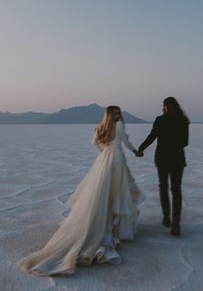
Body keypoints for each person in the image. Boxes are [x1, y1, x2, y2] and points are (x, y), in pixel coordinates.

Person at [17, 106, 144, 276]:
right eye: (117, 112)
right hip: (117, 160)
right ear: (116, 114)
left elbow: (94, 143)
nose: (119, 115)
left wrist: (104, 153)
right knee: (116, 195)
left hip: (103, 161)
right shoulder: (119, 124)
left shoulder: (100, 128)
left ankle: (106, 226)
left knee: (102, 195)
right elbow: (125, 141)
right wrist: (135, 150)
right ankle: (111, 229)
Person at [136, 97, 189, 236]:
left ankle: (167, 218)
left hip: (162, 158)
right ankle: (176, 224)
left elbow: (152, 137)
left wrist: (141, 148)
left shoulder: (160, 120)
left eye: (163, 105)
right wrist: (174, 144)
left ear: (166, 107)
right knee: (176, 189)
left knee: (163, 187)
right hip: (177, 159)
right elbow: (185, 142)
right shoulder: (183, 120)